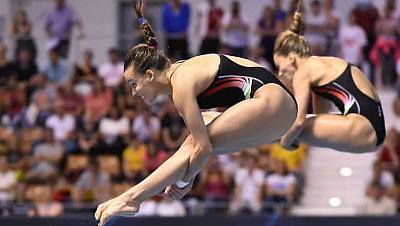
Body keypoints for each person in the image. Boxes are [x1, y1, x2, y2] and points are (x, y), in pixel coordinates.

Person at [94, 1, 297, 225]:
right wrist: (186, 177)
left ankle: (132, 197)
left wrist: (184, 180)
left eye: (134, 84)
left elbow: (202, 148)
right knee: (200, 130)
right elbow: (200, 149)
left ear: (150, 75)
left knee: (195, 142)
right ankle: (132, 197)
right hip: (277, 110)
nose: (133, 93)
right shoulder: (179, 78)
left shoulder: (181, 84)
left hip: (274, 103)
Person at [273, 0, 385, 153]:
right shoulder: (324, 65)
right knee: (300, 125)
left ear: (292, 58)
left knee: (286, 124)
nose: (280, 73)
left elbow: (299, 122)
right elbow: (321, 116)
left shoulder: (302, 72)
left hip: (363, 128)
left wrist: (286, 142)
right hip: (374, 129)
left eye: (280, 66)